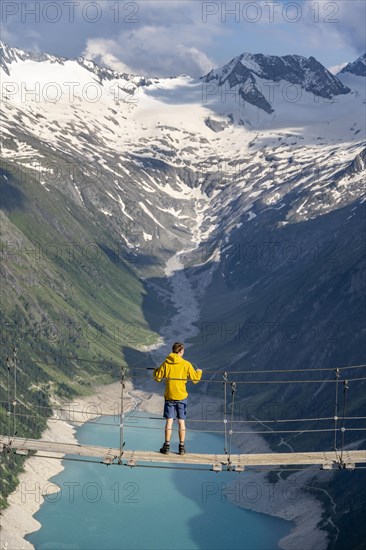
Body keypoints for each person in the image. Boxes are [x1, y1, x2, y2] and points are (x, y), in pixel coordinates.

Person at [153, 342, 202, 455]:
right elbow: (195, 379)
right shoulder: (186, 364)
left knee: (169, 421)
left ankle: (166, 446)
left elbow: (157, 377)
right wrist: (199, 372)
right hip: (181, 396)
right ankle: (182, 447)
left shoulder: (166, 363)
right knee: (181, 422)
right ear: (181, 351)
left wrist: (156, 370)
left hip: (169, 396)